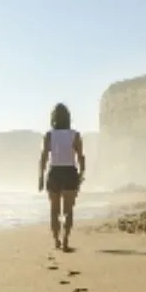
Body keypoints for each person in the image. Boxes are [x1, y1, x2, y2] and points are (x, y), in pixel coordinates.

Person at [38, 103, 85, 251]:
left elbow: (44, 157)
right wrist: (81, 174)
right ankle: (65, 240)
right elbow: (81, 157)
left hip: (54, 173)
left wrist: (40, 176)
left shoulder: (49, 135)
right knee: (68, 210)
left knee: (54, 210)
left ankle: (56, 240)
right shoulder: (75, 135)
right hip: (70, 172)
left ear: (53, 118)